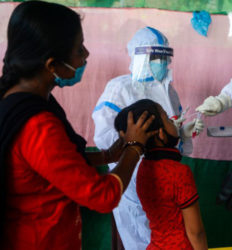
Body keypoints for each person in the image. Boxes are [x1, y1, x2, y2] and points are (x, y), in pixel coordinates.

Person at [0, 2, 156, 249]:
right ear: (52, 65)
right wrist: (134, 148)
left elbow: (53, 164)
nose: (86, 55)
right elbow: (103, 197)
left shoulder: (23, 99)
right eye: (78, 49)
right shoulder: (37, 126)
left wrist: (108, 155)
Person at [92, 26, 204, 248]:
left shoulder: (168, 90)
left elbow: (171, 129)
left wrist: (182, 133)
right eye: (154, 57)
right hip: (133, 177)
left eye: (164, 57)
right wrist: (138, 147)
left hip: (164, 182)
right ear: (139, 56)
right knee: (139, 238)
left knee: (167, 234)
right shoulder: (119, 89)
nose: (161, 63)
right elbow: (105, 136)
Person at [114, 99, 208, 250]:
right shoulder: (179, 173)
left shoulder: (143, 169)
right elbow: (196, 232)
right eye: (167, 118)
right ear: (161, 134)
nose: (173, 121)